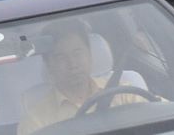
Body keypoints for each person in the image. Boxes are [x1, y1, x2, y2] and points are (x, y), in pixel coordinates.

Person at [16, 20, 150, 134]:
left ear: (90, 55)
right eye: (61, 57)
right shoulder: (37, 121)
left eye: (77, 53)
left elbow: (166, 119)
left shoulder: (124, 93)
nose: (73, 64)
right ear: (49, 64)